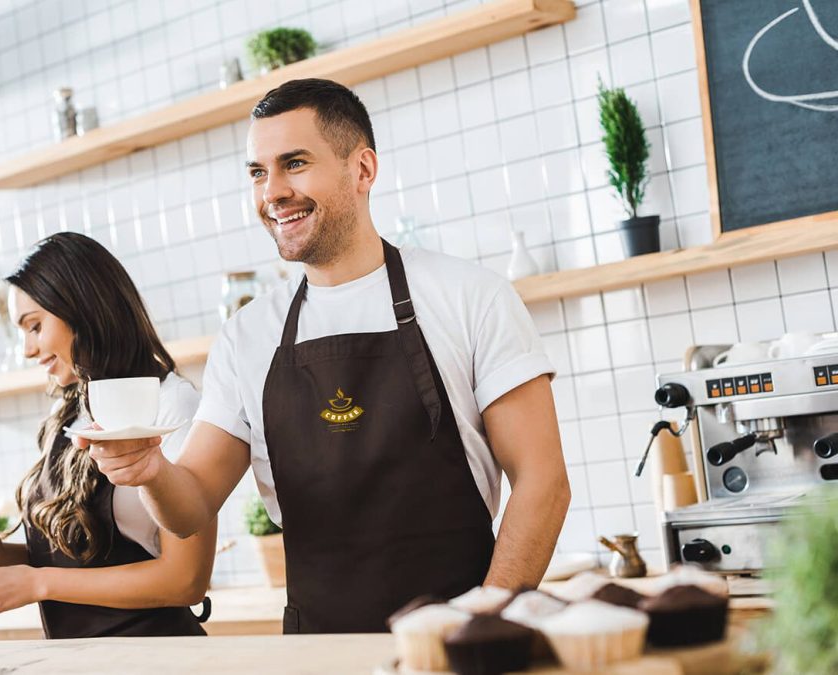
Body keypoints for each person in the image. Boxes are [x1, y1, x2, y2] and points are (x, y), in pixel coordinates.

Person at [77, 78, 571, 634]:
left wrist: (484, 623)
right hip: (316, 650)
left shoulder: (469, 296)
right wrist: (150, 471)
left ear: (362, 170)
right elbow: (190, 509)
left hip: (460, 647)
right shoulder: (247, 336)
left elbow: (543, 482)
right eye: (259, 172)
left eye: (295, 163)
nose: (273, 192)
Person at [0, 232, 217, 638]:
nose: (28, 349)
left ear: (83, 310)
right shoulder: (69, 411)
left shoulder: (173, 405)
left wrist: (36, 582)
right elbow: (78, 556)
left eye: (34, 326)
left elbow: (185, 579)